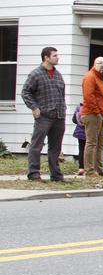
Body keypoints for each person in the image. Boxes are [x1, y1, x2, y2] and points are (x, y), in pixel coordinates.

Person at [20, 47, 67, 182]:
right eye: (55, 55)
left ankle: (56, 175)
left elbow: (62, 94)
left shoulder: (58, 75)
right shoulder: (35, 74)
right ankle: (34, 174)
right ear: (46, 57)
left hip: (59, 116)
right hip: (44, 116)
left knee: (55, 148)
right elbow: (26, 92)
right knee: (37, 145)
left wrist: (63, 109)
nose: (57, 58)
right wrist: (34, 108)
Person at [81, 56, 103, 177]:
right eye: (100, 63)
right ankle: (89, 170)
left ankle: (99, 168)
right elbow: (89, 96)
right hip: (92, 114)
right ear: (94, 64)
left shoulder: (100, 78)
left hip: (102, 115)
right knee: (92, 143)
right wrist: (97, 112)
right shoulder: (90, 77)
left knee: (100, 143)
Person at [71, 102, 86, 176]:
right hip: (88, 132)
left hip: (79, 131)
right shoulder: (89, 108)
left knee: (81, 150)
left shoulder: (78, 107)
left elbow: (74, 120)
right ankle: (87, 167)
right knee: (89, 150)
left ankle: (81, 167)